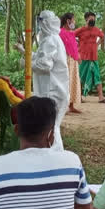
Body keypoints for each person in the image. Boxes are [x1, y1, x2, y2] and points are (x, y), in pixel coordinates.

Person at [32, 10, 70, 150]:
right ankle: (54, 157)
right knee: (51, 128)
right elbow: (41, 57)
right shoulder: (54, 38)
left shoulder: (49, 40)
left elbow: (44, 65)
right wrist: (25, 52)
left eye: (39, 22)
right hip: (57, 91)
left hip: (52, 92)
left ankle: (56, 157)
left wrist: (27, 64)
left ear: (44, 23)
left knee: (51, 129)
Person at [74, 11, 105, 103]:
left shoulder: (96, 29)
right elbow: (71, 36)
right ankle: (79, 97)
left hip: (94, 57)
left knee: (97, 76)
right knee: (81, 77)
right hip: (83, 57)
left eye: (94, 19)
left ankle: (101, 98)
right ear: (86, 19)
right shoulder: (81, 30)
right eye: (91, 18)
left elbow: (102, 36)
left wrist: (97, 44)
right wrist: (77, 44)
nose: (93, 20)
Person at [59, 13, 82, 114]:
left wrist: (78, 56)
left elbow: (74, 47)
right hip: (66, 60)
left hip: (73, 61)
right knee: (66, 82)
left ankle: (71, 105)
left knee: (73, 81)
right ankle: (64, 105)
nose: (74, 22)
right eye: (73, 20)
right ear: (68, 21)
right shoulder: (60, 33)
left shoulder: (71, 33)